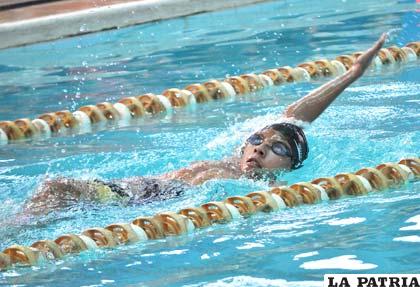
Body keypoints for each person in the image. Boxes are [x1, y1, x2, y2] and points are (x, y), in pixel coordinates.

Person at [23, 34, 387, 215]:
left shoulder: (258, 186)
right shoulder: (234, 161)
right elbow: (293, 115)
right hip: (138, 188)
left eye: (278, 149)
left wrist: (354, 77)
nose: (260, 147)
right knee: (52, 190)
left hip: (150, 203)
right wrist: (351, 73)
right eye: (258, 139)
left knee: (55, 189)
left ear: (290, 167)